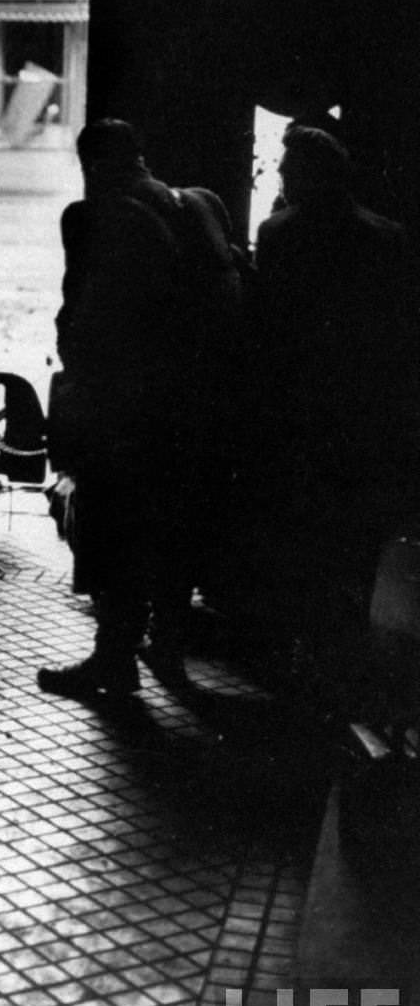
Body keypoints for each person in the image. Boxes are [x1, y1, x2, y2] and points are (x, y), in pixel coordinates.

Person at [39, 119, 242, 697]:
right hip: (202, 408)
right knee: (177, 528)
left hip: (129, 411)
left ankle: (114, 660)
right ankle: (169, 651)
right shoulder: (201, 204)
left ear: (91, 165)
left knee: (115, 531)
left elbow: (79, 316)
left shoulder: (90, 217)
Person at [245, 127, 420, 701]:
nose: (280, 180)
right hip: (360, 417)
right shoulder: (386, 237)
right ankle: (345, 661)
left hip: (297, 417)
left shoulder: (278, 235)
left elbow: (266, 333)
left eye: (288, 171)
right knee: (353, 543)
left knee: (298, 539)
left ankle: (297, 656)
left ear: (308, 176)